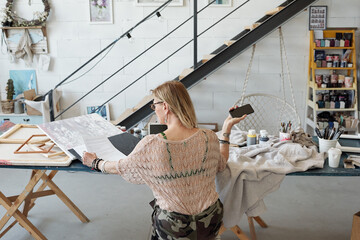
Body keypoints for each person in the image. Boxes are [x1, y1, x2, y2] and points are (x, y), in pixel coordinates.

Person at [82, 80, 246, 240]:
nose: (154, 110)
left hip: (175, 227)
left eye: (155, 105)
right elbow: (221, 164)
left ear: (165, 107)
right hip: (210, 221)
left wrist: (95, 163)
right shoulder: (208, 136)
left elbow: (120, 167)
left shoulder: (151, 144)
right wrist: (226, 130)